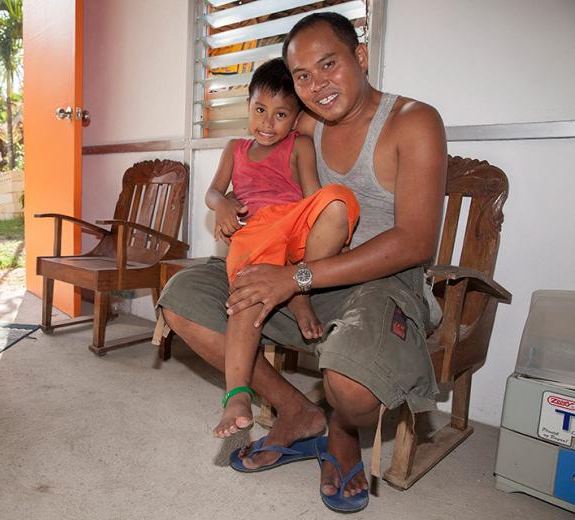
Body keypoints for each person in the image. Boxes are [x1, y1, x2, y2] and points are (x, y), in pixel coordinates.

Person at [157, 11, 446, 514]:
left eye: (328, 65)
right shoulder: (300, 121)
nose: (317, 85)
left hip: (379, 281)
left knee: (353, 389)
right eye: (303, 76)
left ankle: (340, 430)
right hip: (292, 269)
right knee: (181, 299)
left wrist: (296, 278)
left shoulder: (413, 121)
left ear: (360, 57)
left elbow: (417, 242)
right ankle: (298, 414)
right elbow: (256, 175)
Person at [206, 58, 360, 439]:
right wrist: (223, 203)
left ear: (295, 119)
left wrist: (322, 225)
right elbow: (213, 191)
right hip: (255, 233)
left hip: (292, 226)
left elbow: (313, 196)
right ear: (248, 108)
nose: (267, 123)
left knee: (336, 199)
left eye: (280, 115)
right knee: (247, 296)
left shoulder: (299, 145)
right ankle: (237, 394)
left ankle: (298, 290)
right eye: (260, 110)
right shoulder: (234, 149)